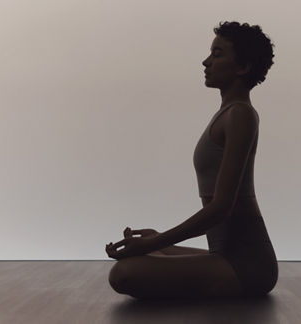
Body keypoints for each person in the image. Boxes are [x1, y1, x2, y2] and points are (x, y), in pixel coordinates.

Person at [106, 21, 277, 299]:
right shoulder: (229, 113)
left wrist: (158, 241)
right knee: (148, 250)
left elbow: (222, 207)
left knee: (123, 273)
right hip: (223, 254)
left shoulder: (240, 115)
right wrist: (155, 239)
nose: (206, 61)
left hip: (247, 265)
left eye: (218, 54)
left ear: (242, 67)